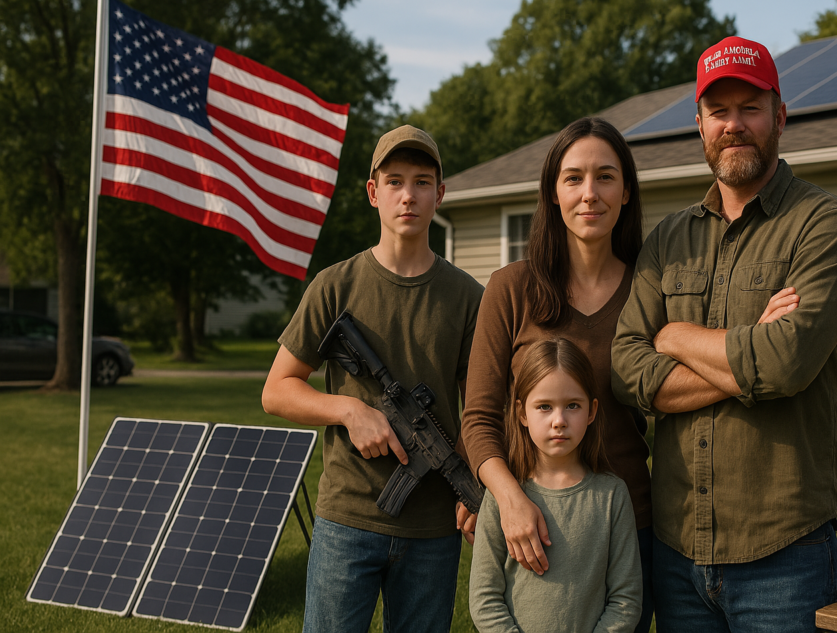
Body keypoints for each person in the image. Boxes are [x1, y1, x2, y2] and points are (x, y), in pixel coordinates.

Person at [611, 35, 837, 632]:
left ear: (780, 116)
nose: (734, 125)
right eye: (718, 111)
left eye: (750, 108)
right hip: (676, 551)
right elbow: (626, 367)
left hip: (783, 553)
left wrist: (673, 336)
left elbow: (787, 365)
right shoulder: (669, 239)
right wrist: (749, 348)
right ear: (698, 125)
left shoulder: (826, 226)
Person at [261, 125, 484, 633]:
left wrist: (475, 489)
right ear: (373, 192)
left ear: (440, 194)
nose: (409, 195)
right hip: (348, 518)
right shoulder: (335, 285)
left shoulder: (468, 296)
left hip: (433, 528)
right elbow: (277, 391)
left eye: (423, 182)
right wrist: (349, 410)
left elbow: (479, 408)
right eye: (396, 181)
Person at [459, 117, 657, 631]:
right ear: (552, 192)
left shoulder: (652, 290)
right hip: (531, 524)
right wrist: (508, 500)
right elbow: (479, 418)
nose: (589, 193)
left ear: (627, 191)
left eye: (606, 176)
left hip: (625, 528)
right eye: (573, 178)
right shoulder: (510, 289)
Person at [470, 338, 642, 633]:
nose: (559, 420)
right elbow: (484, 599)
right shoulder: (503, 497)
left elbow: (626, 599)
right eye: (545, 407)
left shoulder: (612, 496)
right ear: (522, 413)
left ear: (591, 411)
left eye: (572, 405)